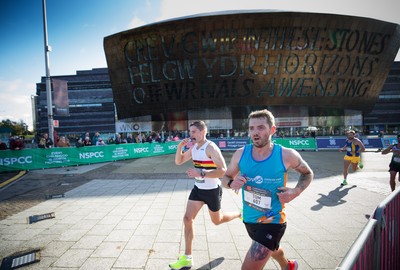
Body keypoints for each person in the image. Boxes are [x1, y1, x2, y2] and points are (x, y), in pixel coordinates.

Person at [221, 109, 313, 270]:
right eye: (251, 128)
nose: (255, 133)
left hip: (273, 221)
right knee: (273, 249)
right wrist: (231, 184)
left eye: (260, 128)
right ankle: (289, 266)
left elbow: (307, 173)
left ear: (272, 130)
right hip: (250, 218)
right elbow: (226, 177)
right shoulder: (240, 154)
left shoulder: (286, 155)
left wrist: (295, 191)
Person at [169, 120, 241, 270]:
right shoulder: (195, 147)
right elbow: (179, 161)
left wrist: (200, 173)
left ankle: (238, 214)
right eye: (190, 132)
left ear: (203, 132)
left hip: (212, 190)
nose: (191, 135)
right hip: (198, 189)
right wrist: (180, 147)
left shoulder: (211, 148)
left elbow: (223, 170)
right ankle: (187, 258)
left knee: (217, 220)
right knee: (187, 219)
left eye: (194, 132)